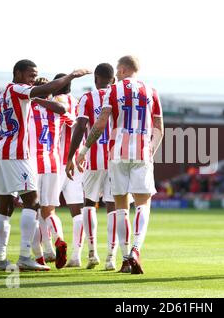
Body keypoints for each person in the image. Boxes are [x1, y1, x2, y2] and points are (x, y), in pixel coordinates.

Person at [0, 59, 90, 272]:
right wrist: (72, 76)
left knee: (6, 206)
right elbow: (49, 92)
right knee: (33, 202)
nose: (32, 78)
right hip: (19, 155)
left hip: (1, 153)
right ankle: (24, 255)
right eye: (30, 74)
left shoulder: (0, 95)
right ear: (18, 73)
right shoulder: (20, 89)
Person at [75, 55, 164, 274]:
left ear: (123, 70)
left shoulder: (114, 91)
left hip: (117, 154)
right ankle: (135, 249)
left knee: (121, 206)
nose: (116, 73)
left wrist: (84, 150)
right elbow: (159, 126)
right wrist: (151, 148)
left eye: (118, 69)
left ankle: (125, 259)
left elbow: (101, 122)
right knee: (143, 203)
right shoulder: (151, 91)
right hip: (142, 153)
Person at [66, 63, 122, 271]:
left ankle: (92, 254)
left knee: (89, 203)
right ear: (113, 79)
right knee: (113, 205)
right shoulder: (119, 96)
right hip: (117, 158)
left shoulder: (87, 98)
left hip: (94, 158)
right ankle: (111, 258)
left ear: (95, 79)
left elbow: (81, 127)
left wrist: (72, 156)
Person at [28, 76, 73, 269]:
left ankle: (39, 257)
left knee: (31, 212)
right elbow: (73, 121)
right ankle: (58, 239)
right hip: (53, 163)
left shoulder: (28, 109)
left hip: (31, 164)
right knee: (49, 211)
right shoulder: (58, 111)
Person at [52, 73, 86, 268]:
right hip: (77, 162)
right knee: (77, 210)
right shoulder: (79, 102)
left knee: (46, 208)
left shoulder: (55, 102)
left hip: (57, 162)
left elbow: (69, 123)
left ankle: (48, 249)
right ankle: (76, 255)